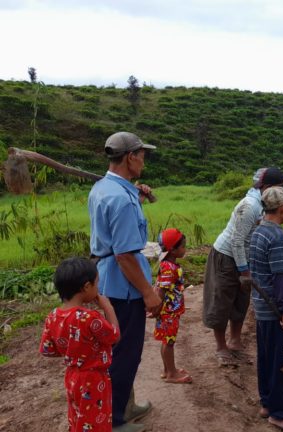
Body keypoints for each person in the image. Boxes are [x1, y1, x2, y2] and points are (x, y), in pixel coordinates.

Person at [203, 166, 283, 366]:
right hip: (227, 256)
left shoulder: (270, 197)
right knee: (222, 300)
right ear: (265, 186)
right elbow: (237, 241)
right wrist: (244, 271)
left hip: (244, 258)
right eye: (280, 187)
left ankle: (236, 341)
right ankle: (221, 348)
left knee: (241, 300)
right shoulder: (250, 206)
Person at [88, 131, 160, 432]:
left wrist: (138, 195)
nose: (144, 160)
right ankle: (115, 421)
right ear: (130, 157)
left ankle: (125, 407)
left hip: (107, 282)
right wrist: (148, 292)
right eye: (142, 155)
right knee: (125, 355)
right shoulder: (121, 200)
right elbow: (125, 256)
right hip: (124, 288)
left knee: (118, 352)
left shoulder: (103, 188)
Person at [40, 257, 120, 432]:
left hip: (71, 377)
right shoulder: (89, 318)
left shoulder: (53, 316)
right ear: (86, 287)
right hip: (93, 378)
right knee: (96, 421)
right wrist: (109, 308)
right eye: (96, 284)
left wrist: (71, 350)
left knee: (78, 418)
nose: (98, 289)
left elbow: (47, 350)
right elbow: (114, 337)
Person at [250, 186, 283, 431]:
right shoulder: (276, 236)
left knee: (266, 357)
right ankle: (280, 414)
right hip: (274, 311)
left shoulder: (258, 231)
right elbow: (281, 278)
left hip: (262, 309)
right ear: (282, 208)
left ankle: (266, 404)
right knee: (282, 363)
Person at [153, 228, 191, 384]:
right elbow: (161, 290)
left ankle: (167, 369)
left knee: (166, 341)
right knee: (169, 342)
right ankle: (171, 373)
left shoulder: (168, 264)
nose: (185, 249)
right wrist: (156, 308)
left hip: (168, 311)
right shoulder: (169, 268)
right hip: (169, 312)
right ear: (172, 250)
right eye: (182, 246)